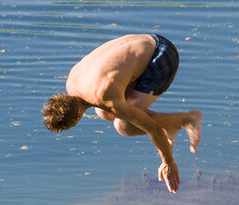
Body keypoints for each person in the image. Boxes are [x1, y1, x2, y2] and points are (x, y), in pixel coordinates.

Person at [42, 34, 202, 194]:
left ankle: (187, 119)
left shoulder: (105, 97)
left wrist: (168, 162)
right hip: (150, 39)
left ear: (77, 118)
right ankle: (172, 124)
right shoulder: (72, 81)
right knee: (104, 113)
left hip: (162, 57)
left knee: (124, 126)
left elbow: (153, 129)